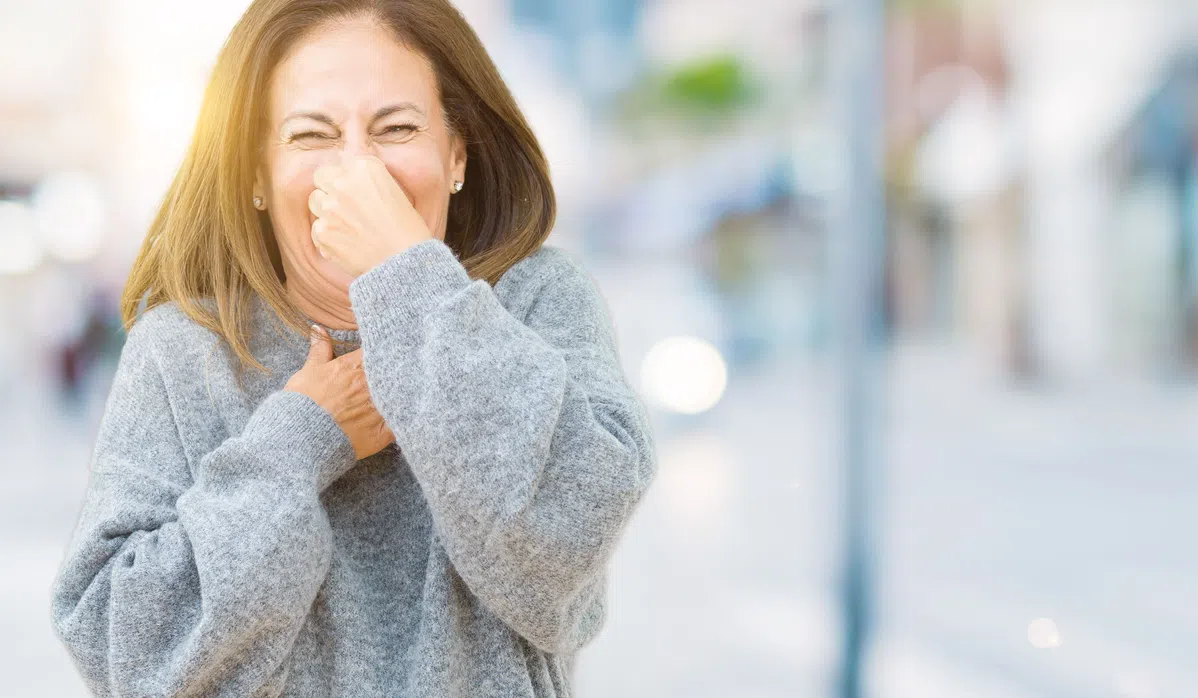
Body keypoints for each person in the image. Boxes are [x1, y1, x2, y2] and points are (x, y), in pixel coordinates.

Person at [49, 1, 657, 696]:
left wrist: (408, 273)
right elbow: (130, 655)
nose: (359, 172)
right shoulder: (184, 349)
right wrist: (297, 440)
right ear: (254, 173)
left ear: (455, 155)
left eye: (396, 129)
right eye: (313, 135)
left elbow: (563, 552)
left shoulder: (538, 301)